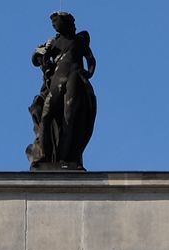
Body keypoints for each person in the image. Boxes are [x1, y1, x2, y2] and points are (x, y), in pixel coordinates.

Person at [28, 12, 97, 171]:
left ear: (65, 23)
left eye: (56, 23)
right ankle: (45, 154)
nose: (54, 26)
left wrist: (89, 72)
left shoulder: (79, 40)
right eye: (53, 24)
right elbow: (35, 58)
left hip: (74, 78)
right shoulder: (54, 42)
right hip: (57, 80)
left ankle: (67, 158)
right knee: (46, 116)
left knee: (69, 118)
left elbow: (91, 59)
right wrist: (43, 53)